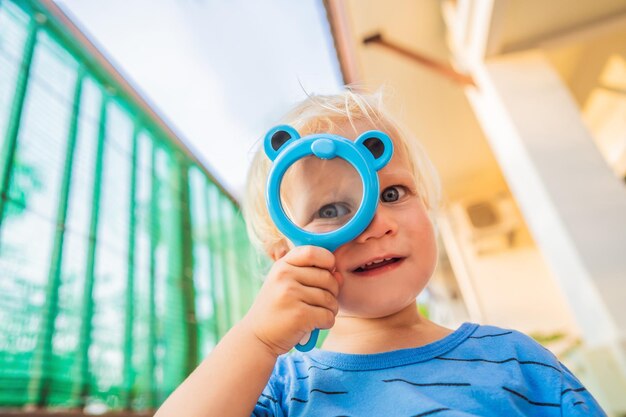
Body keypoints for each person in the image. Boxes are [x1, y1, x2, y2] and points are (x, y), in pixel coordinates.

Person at [155, 90, 606, 417]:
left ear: (427, 208)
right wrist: (256, 339)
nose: (375, 224)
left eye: (391, 192)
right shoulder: (282, 390)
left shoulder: (515, 360)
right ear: (284, 259)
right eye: (332, 210)